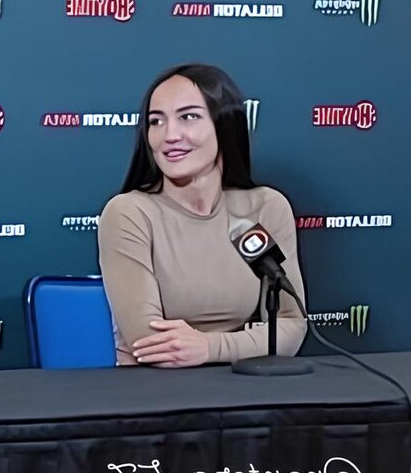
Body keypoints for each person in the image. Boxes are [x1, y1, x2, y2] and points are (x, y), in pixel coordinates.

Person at [97, 64, 307, 367]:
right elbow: (150, 343)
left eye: (188, 117)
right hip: (154, 387)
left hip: (242, 383)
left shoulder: (265, 208)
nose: (169, 135)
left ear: (225, 125)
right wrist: (245, 344)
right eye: (156, 121)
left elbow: (290, 324)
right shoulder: (129, 214)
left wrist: (210, 347)